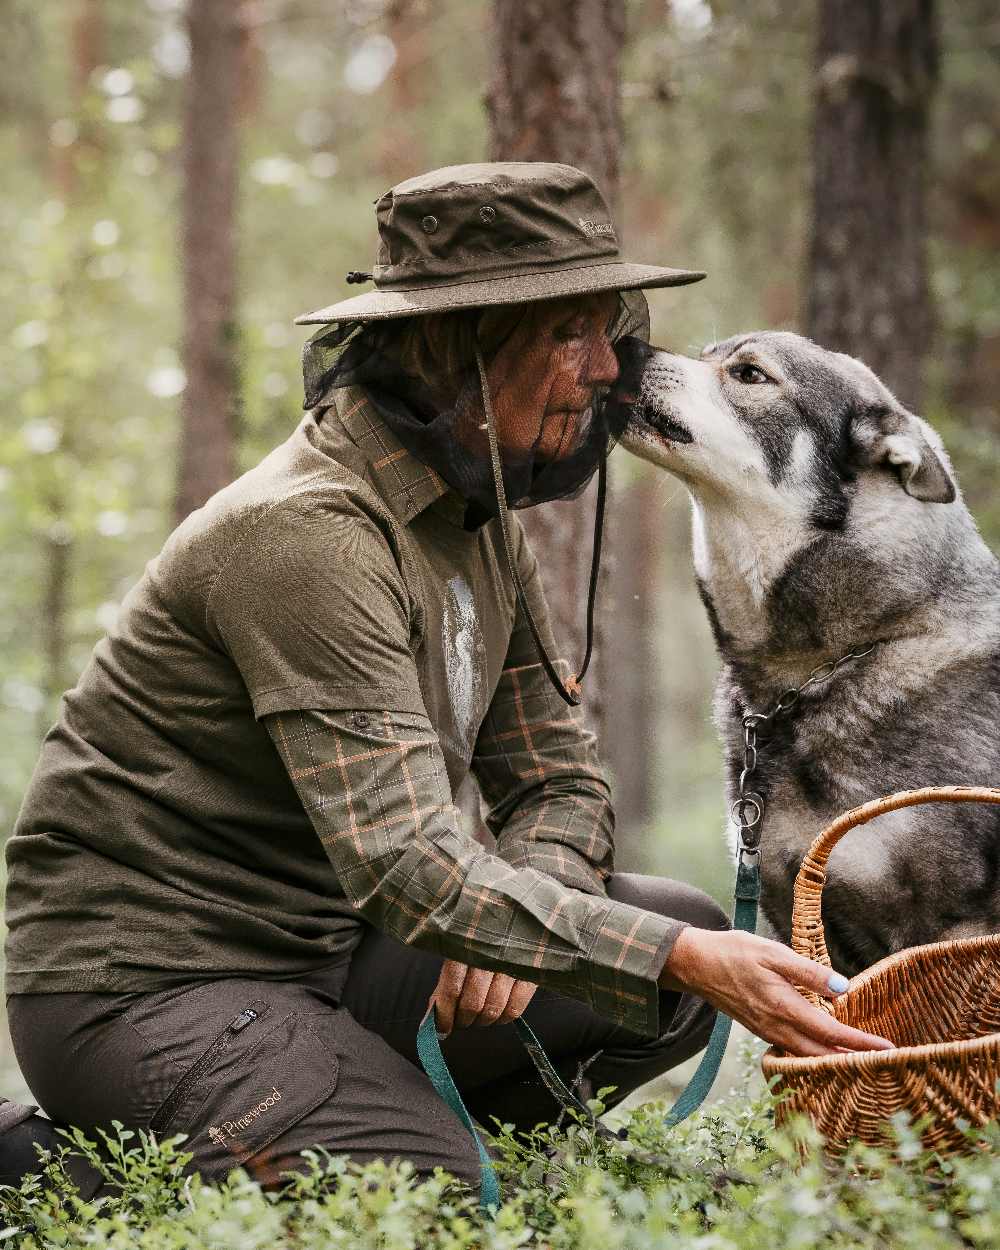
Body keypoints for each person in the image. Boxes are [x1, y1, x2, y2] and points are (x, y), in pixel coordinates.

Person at [1, 162, 893, 1198]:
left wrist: (537, 910)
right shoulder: (304, 537)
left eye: (609, 325)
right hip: (146, 988)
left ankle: (381, 1125)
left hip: (333, 962)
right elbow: (403, 864)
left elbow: (558, 778)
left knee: (658, 961)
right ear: (451, 345)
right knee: (435, 1192)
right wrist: (673, 952)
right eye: (569, 332)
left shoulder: (476, 518)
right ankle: (43, 1169)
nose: (608, 367)